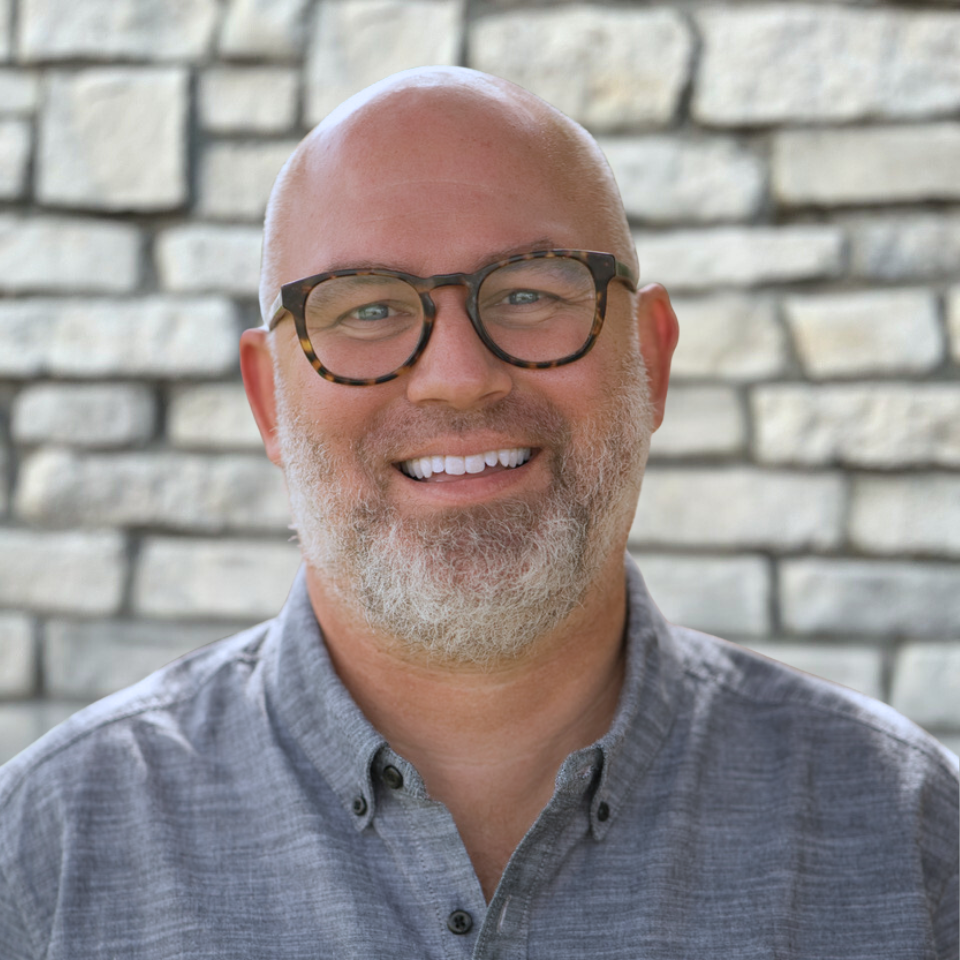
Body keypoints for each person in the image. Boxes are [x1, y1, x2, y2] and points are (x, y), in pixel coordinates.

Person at [0, 67, 956, 959]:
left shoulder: (908, 836)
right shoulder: (48, 851)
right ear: (268, 402)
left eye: (531, 290)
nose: (458, 377)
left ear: (651, 359)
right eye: (366, 309)